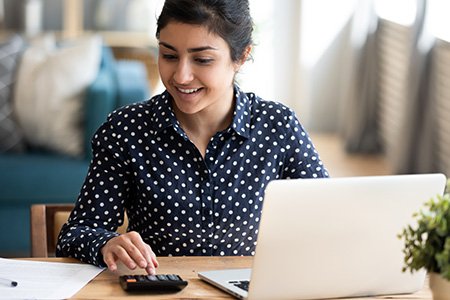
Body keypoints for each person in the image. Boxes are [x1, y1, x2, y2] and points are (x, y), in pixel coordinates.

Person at [56, 0, 329, 275]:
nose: (182, 76)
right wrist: (107, 243)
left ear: (242, 56)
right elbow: (75, 235)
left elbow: (330, 217)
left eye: (202, 59)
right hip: (162, 293)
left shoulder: (278, 127)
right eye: (169, 56)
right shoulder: (126, 130)